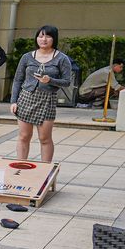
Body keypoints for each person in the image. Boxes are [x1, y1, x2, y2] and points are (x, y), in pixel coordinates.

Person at [10, 24, 74, 163]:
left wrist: (50, 80)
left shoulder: (62, 58)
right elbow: (18, 80)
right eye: (40, 36)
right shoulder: (27, 57)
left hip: (47, 99)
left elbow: (67, 82)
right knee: (24, 136)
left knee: (44, 138)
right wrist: (13, 101)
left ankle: (45, 168)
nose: (44, 39)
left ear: (54, 39)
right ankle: (21, 166)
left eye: (48, 36)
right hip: (26, 98)